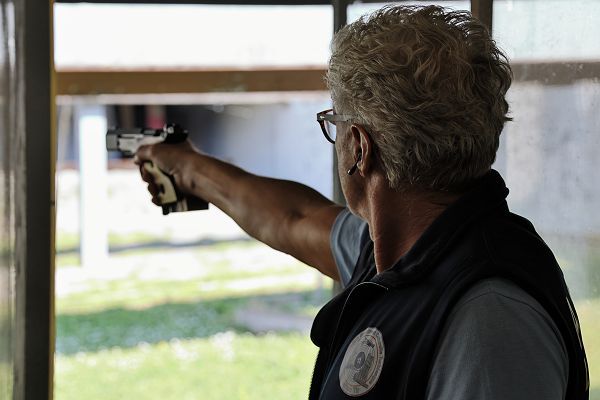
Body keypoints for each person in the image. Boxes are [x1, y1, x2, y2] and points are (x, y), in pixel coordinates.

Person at [135, 5, 589, 399]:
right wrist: (188, 167)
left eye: (335, 122)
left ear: (358, 147)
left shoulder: (489, 319)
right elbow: (293, 218)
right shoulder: (405, 247)